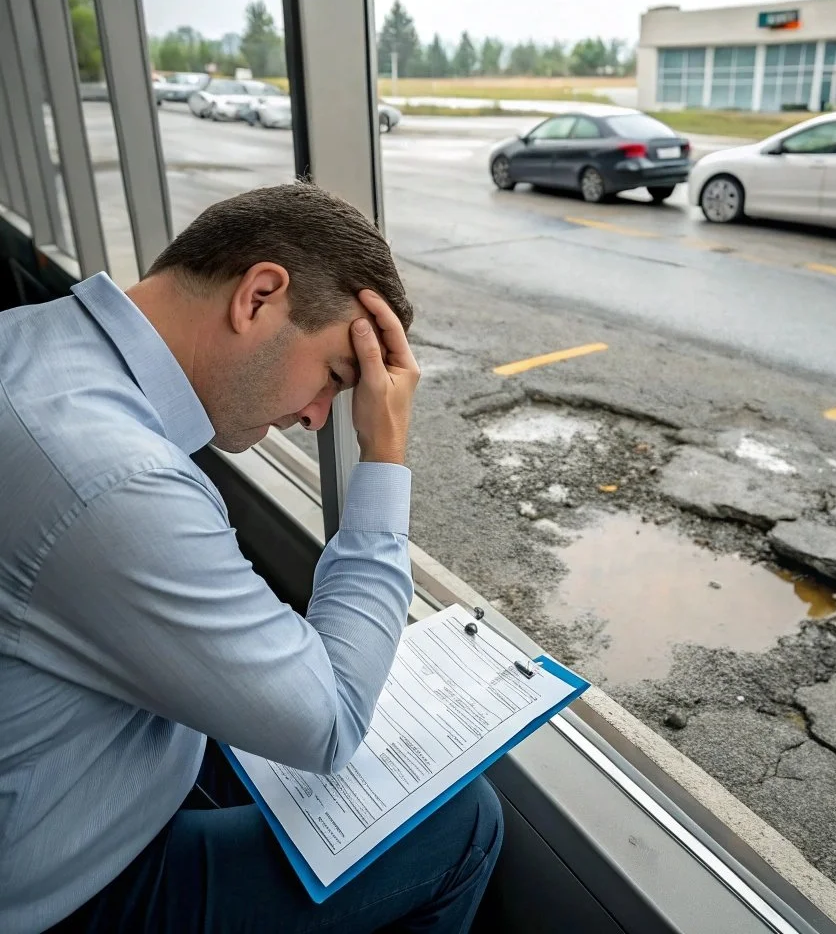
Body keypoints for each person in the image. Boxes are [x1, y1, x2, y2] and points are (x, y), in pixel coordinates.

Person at [0, 182, 503, 934]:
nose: (315, 415)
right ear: (259, 296)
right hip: (56, 886)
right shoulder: (118, 481)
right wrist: (385, 452)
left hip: (63, 761)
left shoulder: (29, 339)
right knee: (462, 825)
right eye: (335, 376)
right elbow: (327, 723)